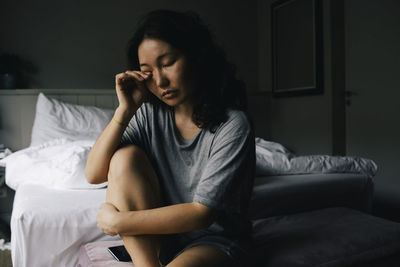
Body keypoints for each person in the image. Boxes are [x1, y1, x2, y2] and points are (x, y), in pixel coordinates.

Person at [85, 9, 255, 267]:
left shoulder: (232, 124)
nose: (161, 80)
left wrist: (118, 222)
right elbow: (94, 174)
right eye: (148, 71)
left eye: (167, 63)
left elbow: (202, 214)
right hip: (159, 242)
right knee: (124, 156)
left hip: (214, 242)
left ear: (196, 57)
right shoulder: (150, 114)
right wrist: (125, 110)